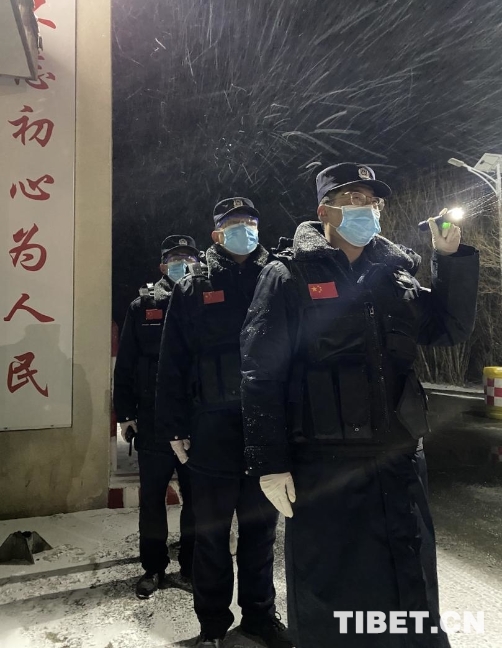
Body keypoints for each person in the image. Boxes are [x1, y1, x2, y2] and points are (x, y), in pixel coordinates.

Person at [240, 163, 479, 648]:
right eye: (352, 199)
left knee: (409, 582)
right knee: (334, 594)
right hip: (325, 467)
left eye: (372, 201)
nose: (366, 208)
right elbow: (260, 372)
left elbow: (449, 328)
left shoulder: (395, 275)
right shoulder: (287, 275)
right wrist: (269, 463)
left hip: (398, 460)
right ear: (324, 210)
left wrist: (450, 259)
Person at [155, 198, 293, 648]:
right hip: (211, 427)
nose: (244, 229)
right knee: (211, 536)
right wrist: (174, 426)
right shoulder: (193, 287)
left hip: (265, 426)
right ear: (217, 234)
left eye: (250, 221)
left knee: (260, 533)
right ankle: (212, 626)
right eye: (234, 223)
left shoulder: (279, 276)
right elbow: (172, 362)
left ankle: (259, 618)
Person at [113, 234, 200, 599]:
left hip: (196, 420)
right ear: (163, 266)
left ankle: (191, 567)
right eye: (176, 259)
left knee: (196, 498)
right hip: (152, 421)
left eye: (189, 258)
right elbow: (126, 364)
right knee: (152, 499)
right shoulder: (143, 306)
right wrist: (125, 414)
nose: (183, 264)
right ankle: (153, 567)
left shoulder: (206, 299)